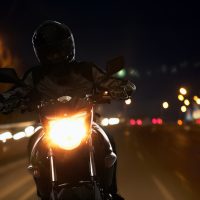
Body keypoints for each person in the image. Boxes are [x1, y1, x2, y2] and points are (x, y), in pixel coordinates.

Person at [0, 20, 135, 199]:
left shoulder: (86, 69)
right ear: (41, 53)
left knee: (107, 138)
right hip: (52, 127)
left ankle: (110, 191)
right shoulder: (35, 75)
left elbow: (106, 81)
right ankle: (45, 194)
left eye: (58, 50)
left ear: (68, 47)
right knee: (34, 141)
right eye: (49, 52)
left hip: (83, 124)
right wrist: (6, 100)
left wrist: (121, 87)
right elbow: (20, 90)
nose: (55, 56)